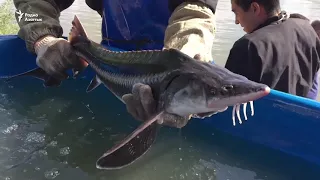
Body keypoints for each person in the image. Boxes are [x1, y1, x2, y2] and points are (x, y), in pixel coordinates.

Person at [13, 0, 219, 127]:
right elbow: (34, 4)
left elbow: (196, 12)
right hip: (111, 69)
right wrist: (43, 38)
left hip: (172, 68)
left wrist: (187, 54)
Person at [224, 0, 320, 100]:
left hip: (264, 114)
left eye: (236, 13)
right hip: (297, 113)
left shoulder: (248, 46)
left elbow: (226, 100)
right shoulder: (306, 29)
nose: (236, 21)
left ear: (255, 8)